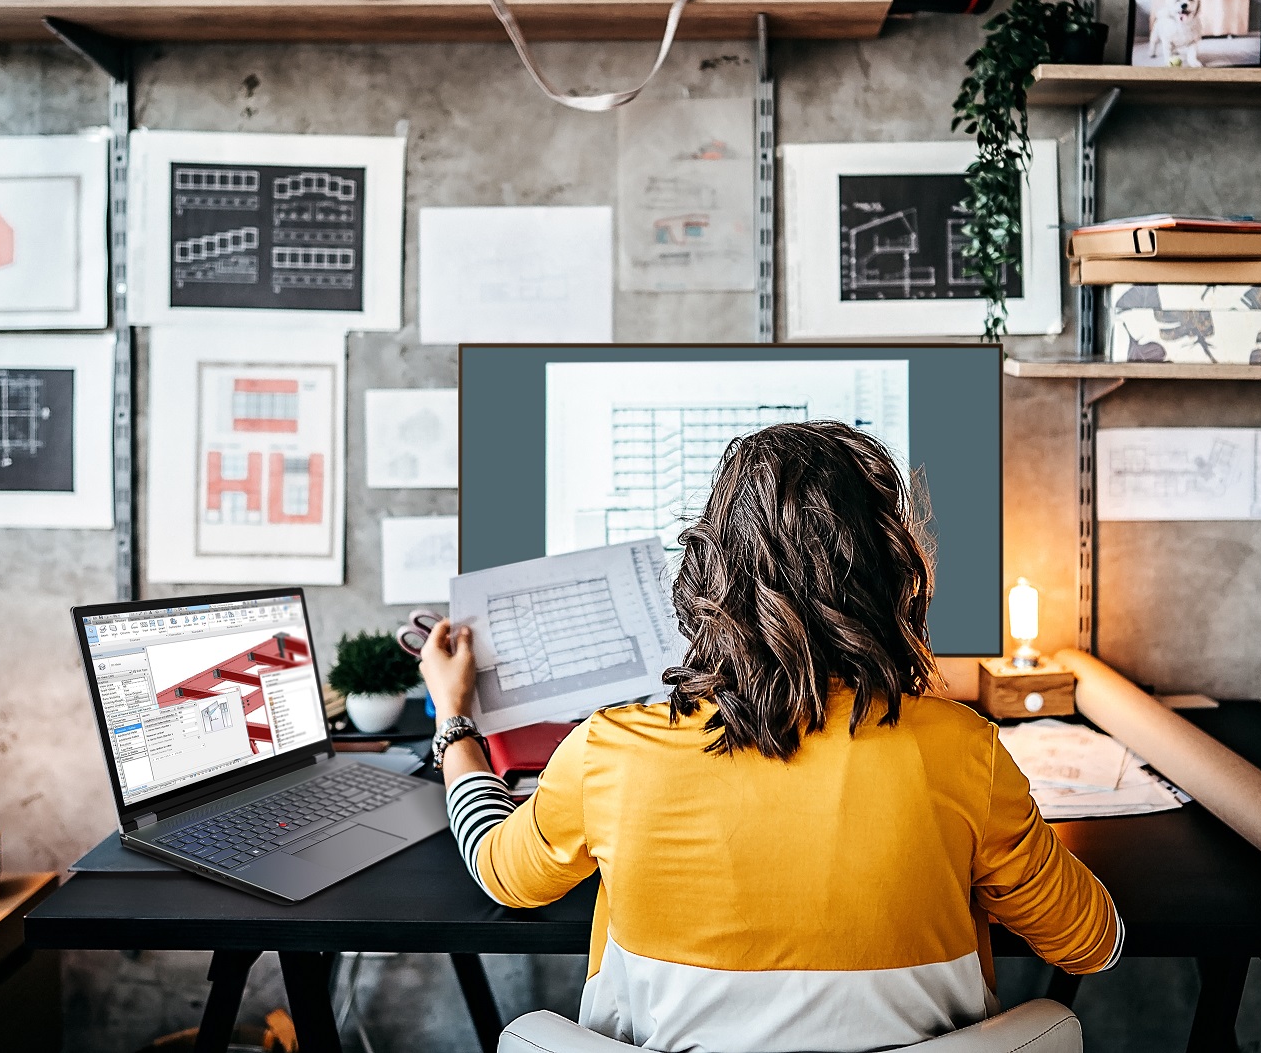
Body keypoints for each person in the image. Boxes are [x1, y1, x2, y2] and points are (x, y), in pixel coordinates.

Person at [421, 420, 1120, 1053]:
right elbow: (1092, 943)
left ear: (706, 573)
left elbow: (499, 868)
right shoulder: (963, 750)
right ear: (889, 574)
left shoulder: (611, 751)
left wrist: (454, 719)